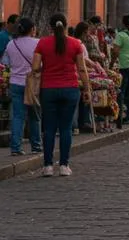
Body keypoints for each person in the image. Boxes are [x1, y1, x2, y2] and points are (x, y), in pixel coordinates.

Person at [31, 13, 91, 176]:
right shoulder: (75, 43)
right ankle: (64, 165)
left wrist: (46, 67)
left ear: (50, 27)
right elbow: (82, 69)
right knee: (66, 128)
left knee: (49, 128)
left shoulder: (42, 43)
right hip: (70, 89)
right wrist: (86, 89)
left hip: (48, 89)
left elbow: (35, 66)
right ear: (65, 26)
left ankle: (48, 166)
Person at [2, 17, 41, 156]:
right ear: (32, 29)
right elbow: (41, 64)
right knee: (34, 116)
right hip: (32, 83)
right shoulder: (38, 43)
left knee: (18, 116)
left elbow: (5, 63)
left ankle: (15, 147)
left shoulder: (11, 44)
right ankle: (36, 145)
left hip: (15, 82)